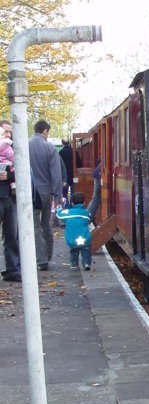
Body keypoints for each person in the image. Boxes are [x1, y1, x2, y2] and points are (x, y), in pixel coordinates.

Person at [28, 119, 63, 271]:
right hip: (46, 192)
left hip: (29, 192)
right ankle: (47, 255)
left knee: (34, 225)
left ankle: (40, 259)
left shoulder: (24, 145)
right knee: (45, 224)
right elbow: (56, 174)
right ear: (45, 131)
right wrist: (58, 196)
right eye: (48, 132)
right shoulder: (50, 148)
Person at [0, 119, 20, 282]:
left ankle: (12, 270)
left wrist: (10, 175)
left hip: (10, 197)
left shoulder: (12, 149)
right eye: (5, 131)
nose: (8, 135)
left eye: (9, 132)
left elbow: (23, 171)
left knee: (11, 235)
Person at [55, 192, 92, 270]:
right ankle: (86, 263)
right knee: (86, 251)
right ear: (84, 203)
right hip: (85, 238)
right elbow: (89, 220)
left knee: (74, 251)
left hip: (72, 239)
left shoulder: (68, 213)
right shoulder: (86, 213)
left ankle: (74, 265)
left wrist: (58, 209)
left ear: (72, 203)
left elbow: (59, 215)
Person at [58, 139, 82, 203]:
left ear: (62, 143)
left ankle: (66, 207)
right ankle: (73, 206)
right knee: (74, 194)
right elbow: (80, 164)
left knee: (64, 194)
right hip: (74, 176)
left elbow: (58, 165)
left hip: (64, 177)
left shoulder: (60, 152)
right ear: (70, 143)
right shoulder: (75, 152)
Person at [87, 158, 102, 224]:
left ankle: (89, 217)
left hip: (97, 173)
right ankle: (87, 218)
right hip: (99, 175)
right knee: (96, 198)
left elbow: (98, 160)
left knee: (96, 198)